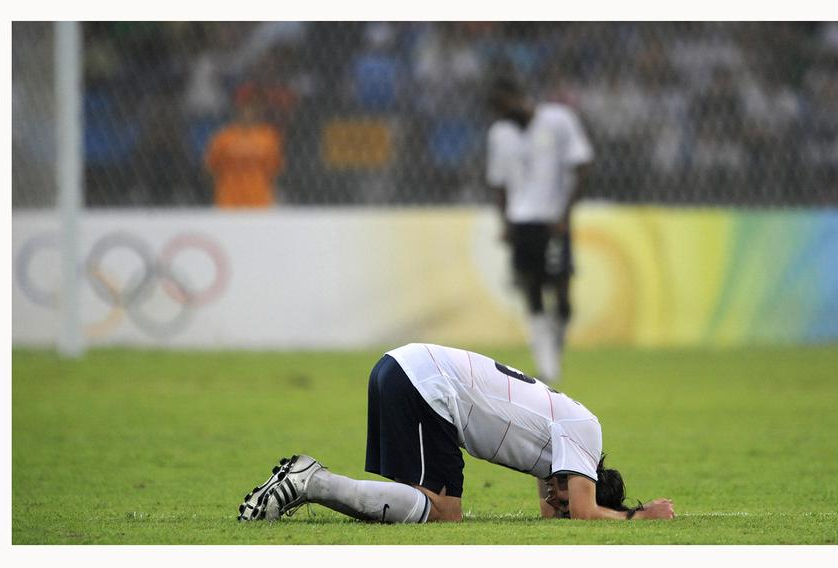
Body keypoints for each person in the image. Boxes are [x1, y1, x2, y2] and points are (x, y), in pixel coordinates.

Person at [237, 343, 675, 524]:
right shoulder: (586, 432)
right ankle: (310, 481)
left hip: (403, 368)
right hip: (428, 384)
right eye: (566, 494)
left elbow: (556, 512)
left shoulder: (557, 449)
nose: (555, 502)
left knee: (424, 503)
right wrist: (637, 516)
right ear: (589, 477)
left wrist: (569, 504)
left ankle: (307, 483)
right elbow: (582, 512)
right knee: (445, 511)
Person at [485, 75, 594, 383]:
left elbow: (583, 165)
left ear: (520, 97)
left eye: (506, 108)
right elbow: (499, 184)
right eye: (498, 112)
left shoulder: (558, 120)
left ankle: (555, 349)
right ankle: (547, 367)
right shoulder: (500, 134)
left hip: (553, 221)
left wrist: (565, 213)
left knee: (560, 294)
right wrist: (505, 223)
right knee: (531, 290)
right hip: (522, 223)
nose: (504, 117)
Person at [204, 83, 283, 208]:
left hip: (259, 200)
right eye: (248, 105)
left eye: (257, 105)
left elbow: (273, 169)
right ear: (238, 108)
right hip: (228, 200)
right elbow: (212, 168)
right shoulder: (223, 137)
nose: (252, 110)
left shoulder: (269, 136)